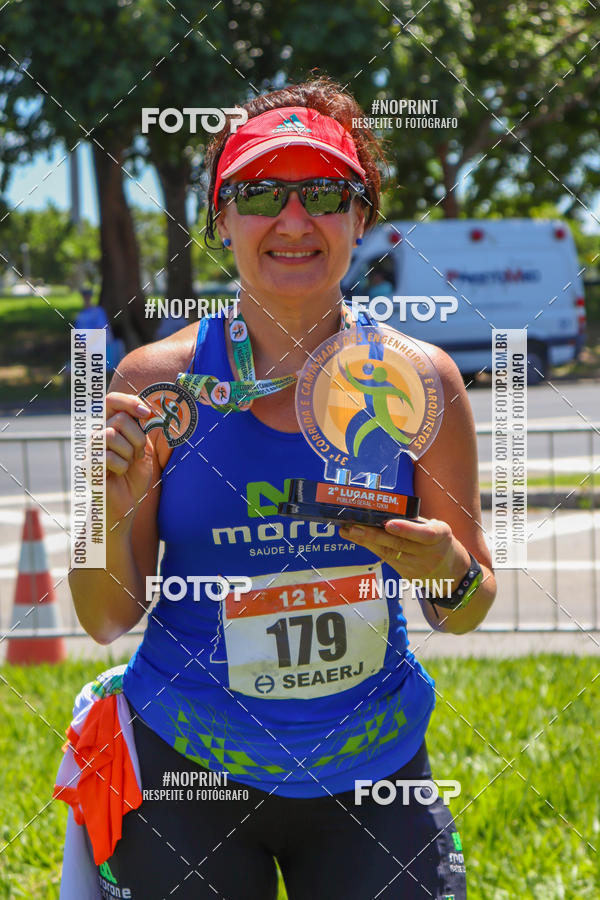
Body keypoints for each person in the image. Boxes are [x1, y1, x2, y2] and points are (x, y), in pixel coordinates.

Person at [64, 76, 496, 900]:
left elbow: (466, 609)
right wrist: (107, 511)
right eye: (261, 193)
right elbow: (104, 618)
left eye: (325, 194)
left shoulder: (422, 381)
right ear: (221, 219)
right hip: (188, 763)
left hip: (372, 767)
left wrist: (447, 571)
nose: (294, 221)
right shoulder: (159, 385)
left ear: (361, 218)